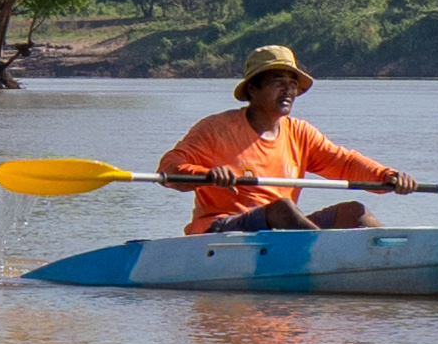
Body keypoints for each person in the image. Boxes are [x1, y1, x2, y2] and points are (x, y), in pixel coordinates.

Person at [157, 44, 422, 235]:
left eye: (292, 83)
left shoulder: (300, 133)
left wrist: (387, 176)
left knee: (354, 211)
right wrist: (207, 174)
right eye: (278, 81)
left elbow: (344, 163)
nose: (288, 90)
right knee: (282, 208)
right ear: (252, 88)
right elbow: (169, 165)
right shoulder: (215, 128)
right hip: (220, 229)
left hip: (283, 232)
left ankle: (398, 259)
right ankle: (326, 257)